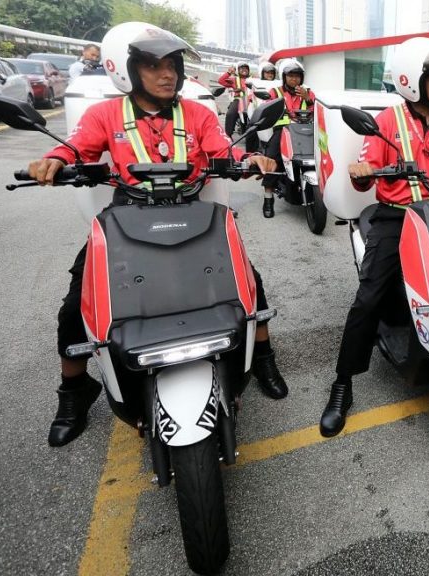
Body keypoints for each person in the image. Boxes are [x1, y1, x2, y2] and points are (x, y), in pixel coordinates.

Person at [29, 22, 287, 448]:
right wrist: (54, 160)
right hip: (128, 213)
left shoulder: (198, 114)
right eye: (153, 66)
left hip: (191, 210)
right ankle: (73, 390)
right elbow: (76, 148)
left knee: (249, 283)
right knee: (77, 303)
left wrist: (249, 159)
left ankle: (262, 357)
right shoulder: (105, 115)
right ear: (128, 70)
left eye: (172, 66)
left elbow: (222, 148)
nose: (167, 74)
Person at [319, 38, 429, 437]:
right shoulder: (388, 121)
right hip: (396, 217)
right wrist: (361, 172)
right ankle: (342, 383)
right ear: (412, 80)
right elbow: (366, 166)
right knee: (369, 297)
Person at [260, 59, 315, 218]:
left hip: (305, 130)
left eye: (297, 76)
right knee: (272, 158)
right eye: (290, 76)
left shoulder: (308, 92)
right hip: (282, 130)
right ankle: (268, 198)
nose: (294, 79)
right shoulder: (275, 92)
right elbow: (267, 107)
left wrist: (307, 99)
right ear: (284, 77)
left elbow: (316, 109)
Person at [219, 62, 252, 139]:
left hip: (251, 100)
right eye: (242, 68)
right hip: (239, 99)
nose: (244, 70)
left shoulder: (253, 79)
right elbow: (221, 81)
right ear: (238, 70)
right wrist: (229, 72)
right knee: (230, 114)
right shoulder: (234, 79)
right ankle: (228, 135)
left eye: (246, 69)